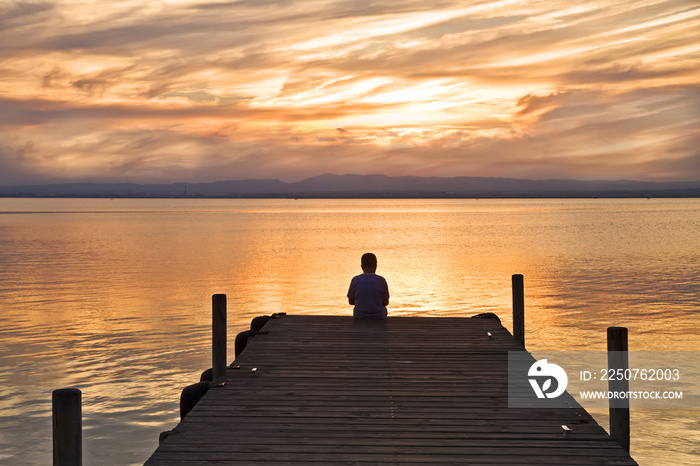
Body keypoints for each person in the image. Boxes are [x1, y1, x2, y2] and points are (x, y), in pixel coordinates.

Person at [347, 253, 390, 319]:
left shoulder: (355, 280)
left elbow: (351, 301)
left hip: (359, 316)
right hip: (378, 316)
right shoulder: (381, 280)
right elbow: (385, 302)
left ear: (361, 266)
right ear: (375, 266)